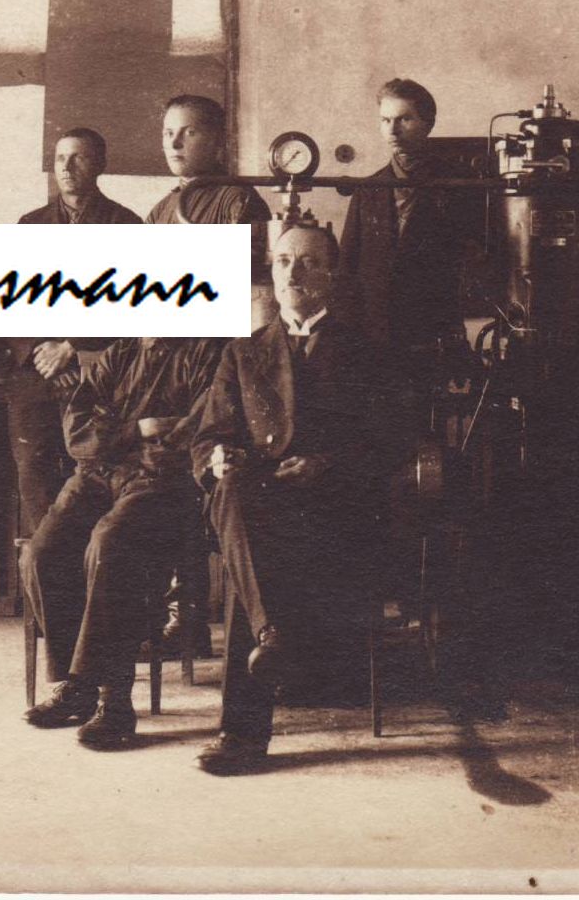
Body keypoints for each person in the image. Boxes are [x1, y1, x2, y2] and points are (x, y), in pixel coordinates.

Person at [188, 222, 381, 775]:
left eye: (308, 262)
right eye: (283, 261)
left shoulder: (366, 351)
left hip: (333, 505)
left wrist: (326, 462)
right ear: (271, 273)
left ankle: (241, 734)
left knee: (252, 555)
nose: (293, 273)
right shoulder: (243, 352)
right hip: (257, 502)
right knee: (235, 493)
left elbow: (390, 438)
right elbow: (208, 436)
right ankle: (269, 641)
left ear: (332, 275)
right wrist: (217, 457)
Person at [20, 335, 225, 750]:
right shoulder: (120, 353)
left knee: (109, 545)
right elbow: (78, 431)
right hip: (97, 474)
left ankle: (114, 700)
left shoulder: (203, 352)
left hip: (162, 482)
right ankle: (78, 687)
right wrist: (138, 431)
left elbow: (190, 433)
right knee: (42, 553)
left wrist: (124, 437)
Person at [146, 94, 271, 658]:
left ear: (217, 140)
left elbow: (241, 294)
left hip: (221, 368)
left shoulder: (240, 201)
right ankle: (179, 612)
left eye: (188, 132)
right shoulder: (159, 211)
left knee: (194, 469)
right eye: (168, 132)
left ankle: (200, 613)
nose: (174, 143)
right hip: (169, 367)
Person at [7, 128, 142, 535]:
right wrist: (41, 354)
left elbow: (132, 306)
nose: (66, 166)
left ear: (100, 164)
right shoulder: (30, 226)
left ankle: (87, 564)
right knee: (32, 469)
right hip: (37, 373)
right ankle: (44, 564)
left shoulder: (126, 225)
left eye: (78, 157)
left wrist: (73, 347)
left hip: (97, 371)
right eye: (60, 158)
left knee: (93, 473)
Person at [338, 77, 478, 369]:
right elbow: (346, 269)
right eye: (385, 120)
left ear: (428, 123)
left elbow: (477, 260)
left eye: (404, 119)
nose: (393, 130)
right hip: (374, 341)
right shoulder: (367, 190)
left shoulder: (459, 186)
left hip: (431, 338)